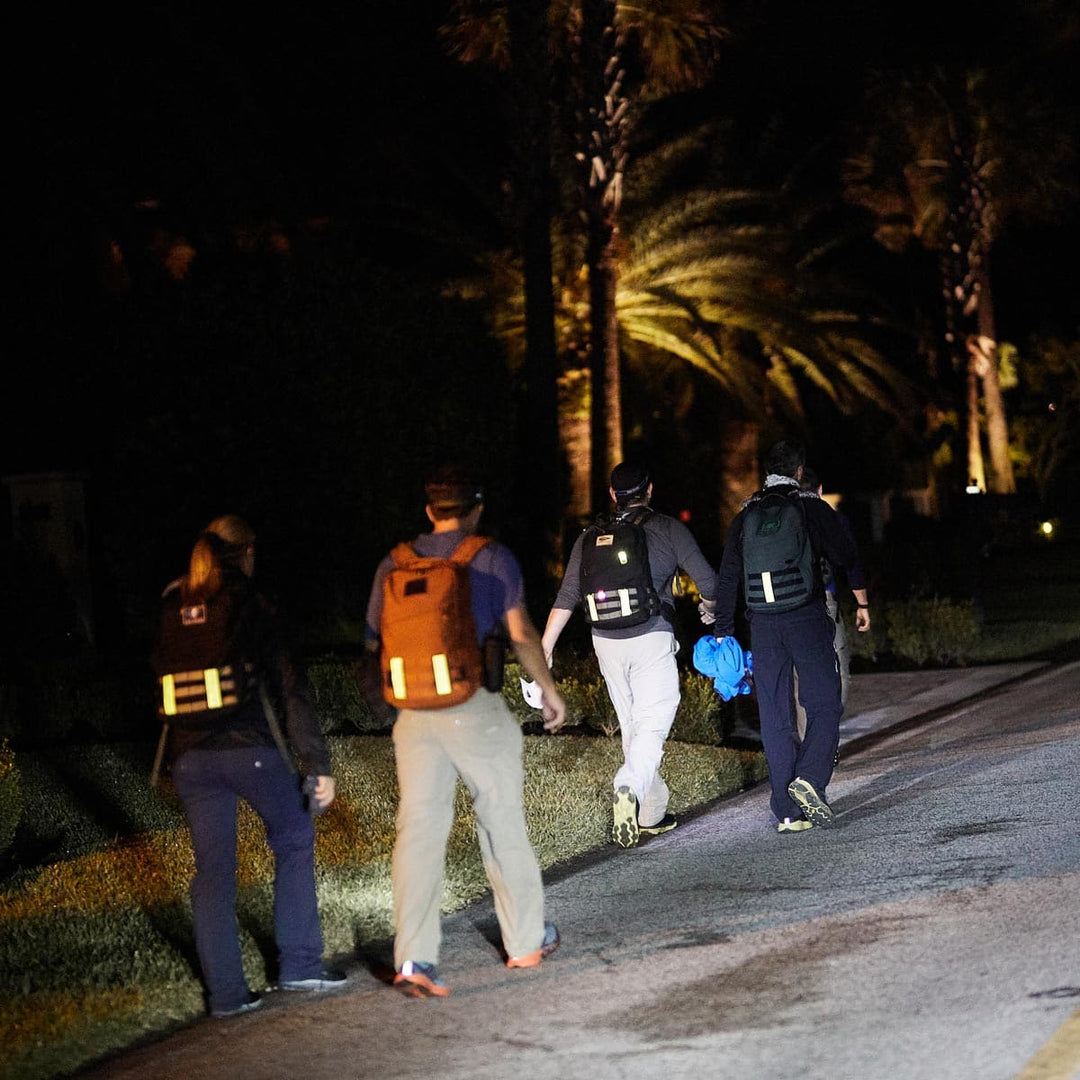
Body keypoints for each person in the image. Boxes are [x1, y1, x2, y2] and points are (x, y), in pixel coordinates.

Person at [364, 467, 566, 998]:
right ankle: (524, 942)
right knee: (501, 821)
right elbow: (520, 635)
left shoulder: (394, 563)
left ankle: (414, 959)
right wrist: (548, 690)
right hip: (474, 706)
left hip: (414, 718)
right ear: (474, 508)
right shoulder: (491, 556)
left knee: (418, 832)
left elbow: (372, 644)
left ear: (430, 509)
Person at [150, 515, 345, 1018]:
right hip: (251, 751)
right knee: (294, 838)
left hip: (190, 759)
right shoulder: (251, 604)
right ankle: (301, 965)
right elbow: (290, 687)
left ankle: (228, 996)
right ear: (247, 553)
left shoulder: (174, 604)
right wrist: (315, 762)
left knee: (212, 872)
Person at [542, 462, 718, 849]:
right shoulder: (668, 529)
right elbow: (708, 582)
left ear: (611, 494)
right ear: (649, 491)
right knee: (653, 724)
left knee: (633, 723)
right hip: (651, 635)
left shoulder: (590, 535)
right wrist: (710, 609)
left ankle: (651, 812)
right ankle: (626, 785)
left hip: (605, 639)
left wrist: (545, 648)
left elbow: (568, 594)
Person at [711, 442, 870, 833]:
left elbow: (728, 576)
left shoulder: (746, 514)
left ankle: (785, 810)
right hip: (806, 617)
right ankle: (810, 780)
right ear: (800, 471)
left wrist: (723, 633)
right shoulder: (809, 506)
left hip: (762, 624)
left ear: (764, 472)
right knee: (823, 703)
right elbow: (846, 555)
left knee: (774, 713)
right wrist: (859, 594)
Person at [793, 466, 853, 742]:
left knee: (800, 676)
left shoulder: (786, 517)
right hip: (824, 600)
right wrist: (862, 603)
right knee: (837, 666)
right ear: (819, 491)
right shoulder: (830, 517)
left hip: (791, 603)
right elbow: (849, 560)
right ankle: (826, 737)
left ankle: (810, 741)